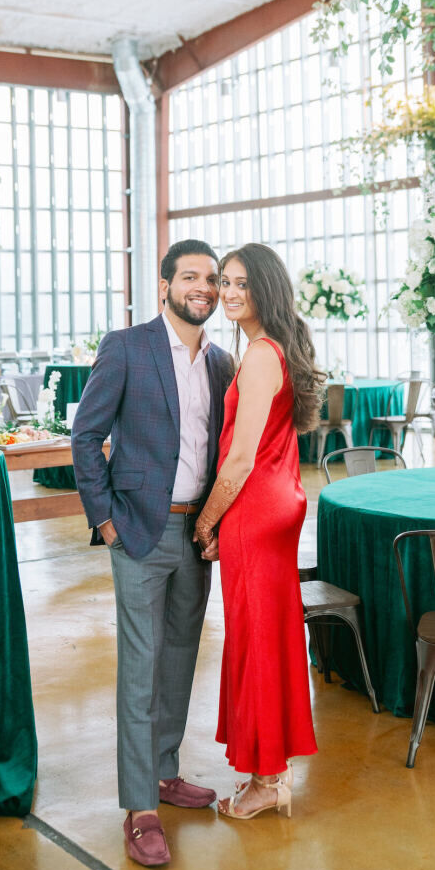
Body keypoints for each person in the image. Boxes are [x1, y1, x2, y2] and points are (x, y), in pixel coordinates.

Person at [72, 240, 235, 868]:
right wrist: (105, 521)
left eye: (212, 279)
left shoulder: (221, 363)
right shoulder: (127, 346)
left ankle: (165, 773)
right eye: (190, 277)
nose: (204, 287)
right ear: (164, 285)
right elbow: (85, 436)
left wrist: (216, 523)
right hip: (138, 530)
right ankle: (140, 808)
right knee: (139, 670)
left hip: (197, 535)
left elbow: (219, 450)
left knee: (178, 662)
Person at [194, 242, 326, 820]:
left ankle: (268, 779)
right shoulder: (275, 350)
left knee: (257, 642)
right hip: (279, 502)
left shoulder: (259, 356)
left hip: (255, 507)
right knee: (268, 638)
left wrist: (206, 519)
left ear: (265, 288)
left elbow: (241, 457)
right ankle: (272, 772)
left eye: (241, 283)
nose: (228, 293)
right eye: (225, 281)